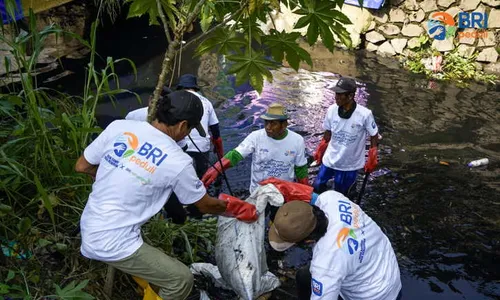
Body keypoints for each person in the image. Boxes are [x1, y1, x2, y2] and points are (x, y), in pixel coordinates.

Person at [75, 90, 257, 300]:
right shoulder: (178, 161)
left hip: (91, 222)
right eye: (189, 129)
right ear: (182, 125)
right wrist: (233, 207)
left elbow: (82, 165)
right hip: (112, 241)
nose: (187, 134)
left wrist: (117, 174)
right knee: (181, 280)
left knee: (158, 270)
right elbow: (204, 205)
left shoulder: (120, 127)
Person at [261, 177, 402, 300]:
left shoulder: (325, 264)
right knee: (304, 276)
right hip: (385, 266)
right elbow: (315, 198)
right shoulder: (332, 198)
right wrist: (291, 188)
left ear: (308, 241)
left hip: (374, 295)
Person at [201, 103, 309, 194]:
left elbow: (301, 170)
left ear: (284, 124)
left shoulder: (297, 140)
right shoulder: (256, 137)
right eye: (266, 122)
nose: (268, 127)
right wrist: (217, 168)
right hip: (258, 192)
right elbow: (236, 154)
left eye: (273, 123)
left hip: (283, 193)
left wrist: (304, 193)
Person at [313, 76, 379, 196]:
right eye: (336, 93)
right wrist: (321, 148)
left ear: (350, 95)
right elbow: (328, 132)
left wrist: (372, 154)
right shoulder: (332, 110)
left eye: (340, 94)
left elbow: (374, 135)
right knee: (317, 187)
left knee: (343, 194)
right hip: (330, 159)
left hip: (349, 164)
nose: (336, 97)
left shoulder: (364, 114)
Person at [176, 74, 224, 178]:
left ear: (180, 87)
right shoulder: (206, 102)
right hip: (201, 146)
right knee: (202, 177)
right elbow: (215, 127)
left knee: (182, 176)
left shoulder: (175, 100)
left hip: (180, 146)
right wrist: (217, 145)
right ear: (195, 88)